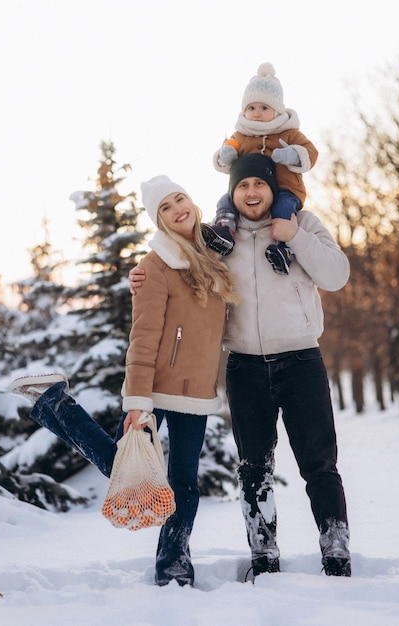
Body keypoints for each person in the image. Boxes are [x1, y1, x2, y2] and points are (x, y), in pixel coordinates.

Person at [130, 153, 352, 579]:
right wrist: (137, 275)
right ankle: (263, 554)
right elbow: (174, 261)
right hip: (245, 367)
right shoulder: (218, 239)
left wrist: (295, 237)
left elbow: (336, 275)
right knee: (254, 467)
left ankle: (336, 548)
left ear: (272, 189)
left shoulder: (301, 224)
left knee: (319, 463)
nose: (251, 192)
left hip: (301, 360)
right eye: (243, 185)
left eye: (259, 185)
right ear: (233, 191)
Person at [10, 175, 238, 588]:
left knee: (184, 483)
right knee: (123, 465)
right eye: (165, 208)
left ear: (192, 201)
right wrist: (137, 400)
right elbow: (143, 337)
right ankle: (58, 404)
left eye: (179, 199)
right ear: (159, 220)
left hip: (198, 391)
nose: (176, 210)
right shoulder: (153, 267)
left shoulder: (216, 253)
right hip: (155, 388)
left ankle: (173, 567)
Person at [202, 62, 318, 276]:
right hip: (249, 192)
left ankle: (283, 250)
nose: (257, 113)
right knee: (225, 201)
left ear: (277, 110)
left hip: (285, 188)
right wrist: (225, 154)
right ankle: (225, 232)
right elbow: (227, 151)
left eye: (264, 108)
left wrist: (293, 154)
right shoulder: (242, 134)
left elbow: (311, 152)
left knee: (283, 209)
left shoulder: (288, 132)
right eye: (251, 108)